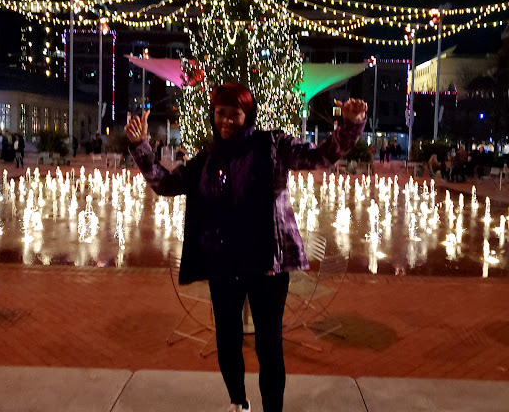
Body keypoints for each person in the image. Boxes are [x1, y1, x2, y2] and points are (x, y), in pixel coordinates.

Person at [125, 83, 367, 412]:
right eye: (220, 113)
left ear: (247, 115)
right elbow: (166, 184)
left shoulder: (272, 145)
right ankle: (238, 402)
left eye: (234, 114)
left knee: (269, 345)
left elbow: (320, 156)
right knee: (227, 340)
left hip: (267, 264)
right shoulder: (207, 159)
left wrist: (351, 124)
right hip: (224, 264)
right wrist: (140, 145)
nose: (226, 121)